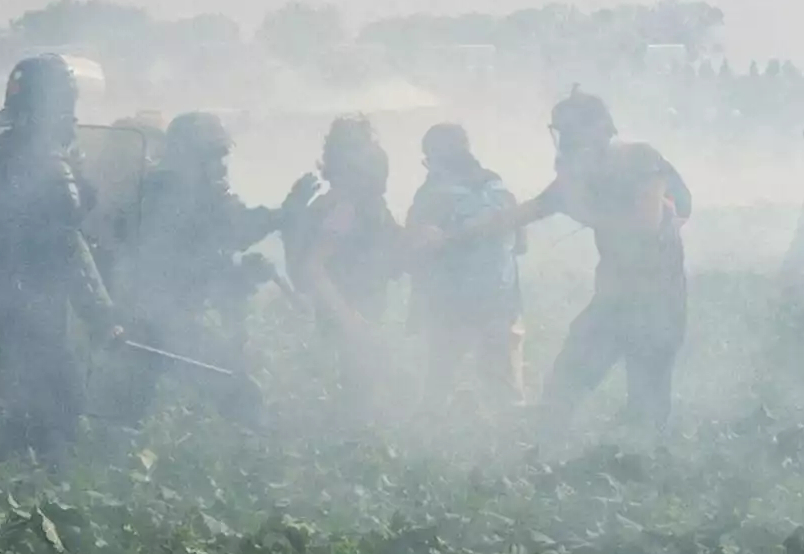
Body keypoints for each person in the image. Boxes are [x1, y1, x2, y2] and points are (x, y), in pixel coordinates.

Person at [451, 88, 688, 433]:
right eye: (562, 130)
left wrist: (585, 211)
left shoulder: (640, 160)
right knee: (567, 380)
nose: (566, 139)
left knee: (647, 396)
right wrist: (458, 237)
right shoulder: (579, 175)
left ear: (599, 128)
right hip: (612, 296)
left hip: (658, 298)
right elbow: (528, 211)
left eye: (572, 129)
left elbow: (645, 224)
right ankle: (546, 449)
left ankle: (641, 464)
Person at [0, 53, 118, 469]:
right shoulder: (50, 163)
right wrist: (101, 316)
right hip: (33, 307)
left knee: (23, 403)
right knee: (62, 404)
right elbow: (66, 244)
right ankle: (41, 497)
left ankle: (12, 487)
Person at [116, 112, 287, 424]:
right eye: (213, 157)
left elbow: (206, 262)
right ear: (189, 160)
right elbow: (234, 229)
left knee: (132, 412)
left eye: (223, 156)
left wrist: (241, 273)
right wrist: (284, 214)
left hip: (157, 324)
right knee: (242, 394)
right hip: (157, 328)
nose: (222, 166)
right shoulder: (173, 200)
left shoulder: (175, 194)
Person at [404, 123, 525, 414]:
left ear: (432, 157)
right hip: (502, 299)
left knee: (439, 380)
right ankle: (513, 448)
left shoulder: (431, 193)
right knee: (503, 388)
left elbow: (414, 250)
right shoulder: (499, 186)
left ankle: (427, 443)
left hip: (451, 304)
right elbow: (522, 244)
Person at [286, 115, 402, 414]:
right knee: (357, 400)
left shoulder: (359, 204)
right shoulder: (345, 208)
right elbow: (314, 267)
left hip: (360, 311)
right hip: (348, 317)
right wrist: (348, 317)